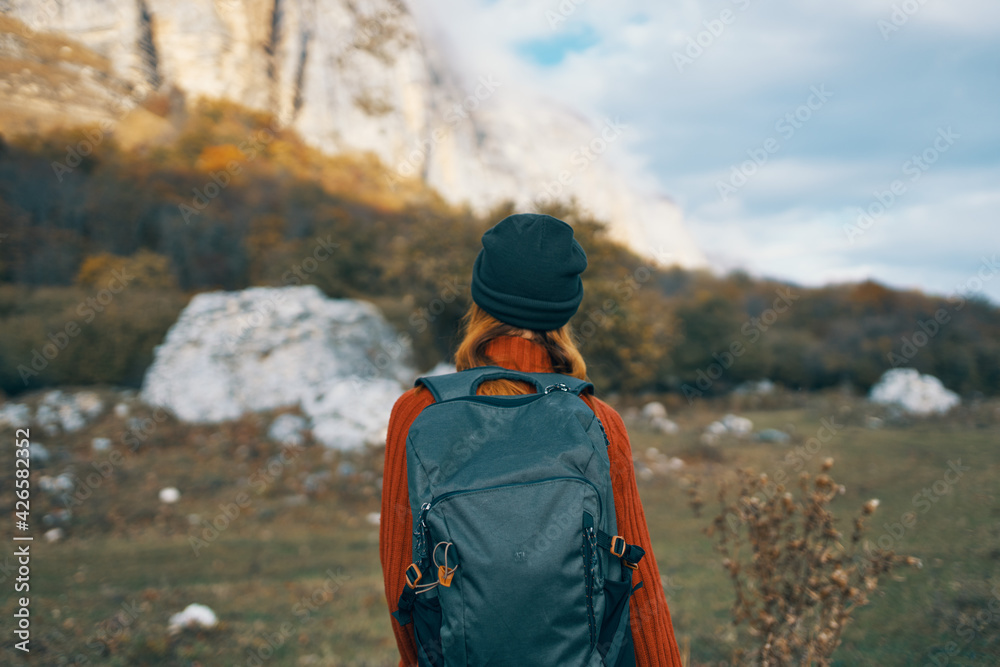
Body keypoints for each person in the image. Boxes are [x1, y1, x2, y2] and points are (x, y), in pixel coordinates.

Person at [379, 213, 683, 666]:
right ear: (566, 309)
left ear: (480, 299)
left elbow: (403, 585)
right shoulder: (595, 419)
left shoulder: (419, 411)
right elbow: (641, 590)